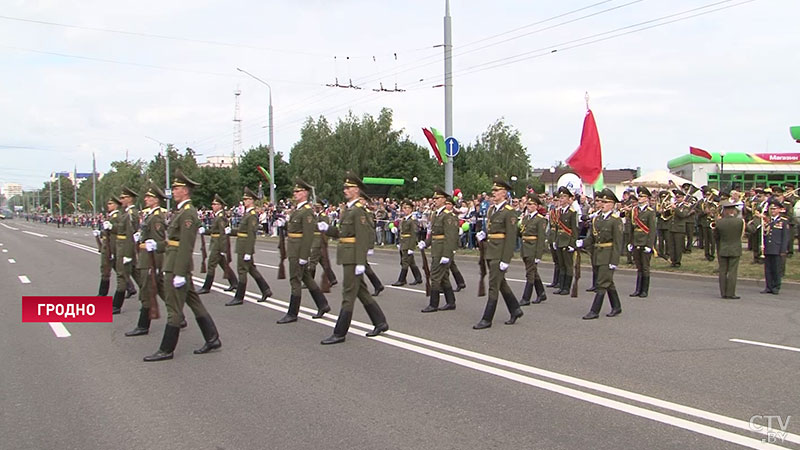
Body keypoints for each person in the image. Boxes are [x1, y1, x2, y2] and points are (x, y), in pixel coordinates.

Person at [144, 169, 221, 361]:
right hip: (175, 262)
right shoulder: (181, 212)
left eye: (176, 188)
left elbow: (186, 245)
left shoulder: (188, 213)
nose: (173, 190)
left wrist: (178, 272)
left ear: (185, 191)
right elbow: (173, 241)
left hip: (176, 266)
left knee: (173, 308)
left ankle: (166, 349)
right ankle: (212, 338)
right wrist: (158, 245)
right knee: (194, 302)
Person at [317, 172, 389, 345]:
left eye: (348, 188)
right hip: (347, 254)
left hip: (353, 257)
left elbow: (363, 237)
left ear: (357, 190)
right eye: (345, 187)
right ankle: (380, 322)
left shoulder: (358, 211)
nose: (345, 190)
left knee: (348, 293)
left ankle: (340, 332)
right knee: (361, 291)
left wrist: (360, 261)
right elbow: (343, 234)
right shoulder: (349, 210)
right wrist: (327, 229)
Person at [275, 178, 331, 324]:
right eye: (294, 191)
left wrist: (304, 255)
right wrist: (284, 224)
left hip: (299, 249)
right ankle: (322, 304)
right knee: (306, 277)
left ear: (305, 193)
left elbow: (308, 235)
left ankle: (293, 312)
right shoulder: (298, 210)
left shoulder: (306, 211)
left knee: (295, 279)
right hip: (294, 247)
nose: (295, 193)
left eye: (298, 191)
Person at [473, 177, 523, 329]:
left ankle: (487, 319)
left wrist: (506, 258)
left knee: (493, 285)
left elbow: (511, 237)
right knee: (501, 283)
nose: (493, 193)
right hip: (490, 250)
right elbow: (491, 229)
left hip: (500, 252)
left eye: (496, 191)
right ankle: (515, 309)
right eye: (492, 190)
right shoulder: (492, 210)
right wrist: (484, 235)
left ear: (504, 193)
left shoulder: (509, 212)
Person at [125, 185, 167, 336]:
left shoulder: (156, 217)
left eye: (149, 197)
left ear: (156, 200)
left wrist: (155, 265)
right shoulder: (150, 215)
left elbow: (158, 242)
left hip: (150, 259)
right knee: (160, 289)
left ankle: (143, 325)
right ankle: (179, 317)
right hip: (145, 256)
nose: (145, 199)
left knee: (146, 290)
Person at [578, 188, 623, 319]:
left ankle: (594, 311)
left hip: (608, 255)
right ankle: (617, 306)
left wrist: (614, 261)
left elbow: (617, 243)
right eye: (601, 201)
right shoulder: (597, 219)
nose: (602, 204)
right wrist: (581, 243)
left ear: (613, 204)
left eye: (606, 202)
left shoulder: (616, 220)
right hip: (597, 253)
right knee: (607, 281)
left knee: (602, 283)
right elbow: (592, 238)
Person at [225, 187, 273, 306]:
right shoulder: (247, 213)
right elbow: (242, 230)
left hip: (245, 246)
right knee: (251, 269)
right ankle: (266, 290)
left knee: (242, 271)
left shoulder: (252, 215)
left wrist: (248, 251)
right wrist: (231, 230)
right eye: (244, 199)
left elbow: (251, 234)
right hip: (242, 244)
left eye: (246, 199)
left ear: (251, 200)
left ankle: (239, 297)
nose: (244, 201)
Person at [419, 187, 459, 312]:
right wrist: (425, 243)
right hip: (436, 249)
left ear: (443, 199)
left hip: (442, 250)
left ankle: (433, 304)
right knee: (444, 277)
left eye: (437, 198)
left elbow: (450, 236)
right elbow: (434, 233)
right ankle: (451, 302)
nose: (434, 200)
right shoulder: (436, 214)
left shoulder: (447, 216)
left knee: (435, 276)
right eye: (434, 198)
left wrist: (447, 254)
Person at [198, 194, 238, 294]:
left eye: (215, 204)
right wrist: (205, 231)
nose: (213, 206)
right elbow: (213, 231)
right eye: (212, 204)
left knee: (211, 265)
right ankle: (234, 282)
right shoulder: (217, 216)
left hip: (218, 245)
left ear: (220, 206)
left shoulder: (220, 217)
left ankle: (206, 287)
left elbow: (223, 234)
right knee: (224, 265)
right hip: (215, 243)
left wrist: (222, 249)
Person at [110, 186, 139, 314]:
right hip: (123, 247)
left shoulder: (131, 214)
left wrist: (128, 253)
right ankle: (147, 294)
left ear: (130, 199)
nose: (121, 200)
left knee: (121, 276)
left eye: (123, 197)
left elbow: (131, 234)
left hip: (127, 248)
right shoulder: (125, 213)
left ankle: (116, 305)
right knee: (138, 276)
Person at [627, 187, 656, 298]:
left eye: (642, 196)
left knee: (645, 267)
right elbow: (631, 228)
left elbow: (652, 230)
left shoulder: (650, 212)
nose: (640, 198)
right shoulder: (635, 210)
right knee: (638, 266)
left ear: (647, 198)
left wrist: (649, 245)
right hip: (636, 240)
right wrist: (630, 242)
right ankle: (637, 289)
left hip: (645, 241)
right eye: (639, 196)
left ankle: (644, 290)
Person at [518, 192, 547, 305]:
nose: (529, 206)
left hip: (533, 248)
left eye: (531, 204)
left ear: (536, 206)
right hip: (525, 248)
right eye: (528, 204)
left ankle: (526, 298)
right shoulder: (525, 218)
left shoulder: (540, 220)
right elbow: (520, 233)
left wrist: (538, 255)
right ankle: (541, 293)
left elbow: (541, 238)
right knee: (533, 272)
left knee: (530, 273)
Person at [714, 200, 745, 299]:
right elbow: (742, 233)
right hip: (735, 248)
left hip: (723, 248)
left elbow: (716, 236)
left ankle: (723, 292)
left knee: (723, 271)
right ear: (733, 211)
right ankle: (731, 293)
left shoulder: (719, 222)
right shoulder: (739, 221)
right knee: (732, 271)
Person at [551, 186, 579, 295]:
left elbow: (574, 229)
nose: (561, 199)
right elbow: (557, 228)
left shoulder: (572, 212)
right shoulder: (558, 212)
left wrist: (573, 244)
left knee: (568, 265)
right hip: (559, 240)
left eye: (564, 197)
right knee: (561, 264)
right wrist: (554, 240)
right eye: (560, 197)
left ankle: (566, 287)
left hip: (567, 241)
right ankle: (561, 286)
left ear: (569, 199)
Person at [760, 200, 791, 295]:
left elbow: (785, 237)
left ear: (779, 210)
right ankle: (768, 286)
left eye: (775, 209)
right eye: (771, 209)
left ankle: (776, 287)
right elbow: (765, 235)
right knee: (768, 269)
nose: (772, 210)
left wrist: (783, 250)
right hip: (768, 248)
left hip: (777, 249)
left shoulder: (783, 222)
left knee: (776, 269)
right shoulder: (767, 221)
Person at [391, 199, 424, 286]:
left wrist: (411, 247)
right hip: (403, 242)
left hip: (408, 243)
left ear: (411, 209)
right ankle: (418, 278)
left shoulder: (412, 220)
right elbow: (402, 231)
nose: (405, 209)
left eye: (407, 208)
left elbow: (414, 234)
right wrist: (398, 240)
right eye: (404, 208)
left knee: (405, 262)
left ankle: (401, 279)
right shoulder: (404, 219)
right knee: (410, 262)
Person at [307, 200, 337, 287]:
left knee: (312, 261)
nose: (315, 208)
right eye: (315, 206)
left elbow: (324, 226)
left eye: (317, 207)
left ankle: (309, 282)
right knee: (323, 262)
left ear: (321, 207)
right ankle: (332, 279)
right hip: (315, 239)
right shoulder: (315, 215)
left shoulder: (323, 216)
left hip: (319, 240)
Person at [94, 196, 120, 296]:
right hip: (107, 247)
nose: (108, 206)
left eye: (110, 204)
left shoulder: (117, 216)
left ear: (116, 205)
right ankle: (129, 288)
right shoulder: (111, 216)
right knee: (106, 270)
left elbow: (120, 230)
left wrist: (112, 227)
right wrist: (100, 233)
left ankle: (102, 295)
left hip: (112, 247)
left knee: (110, 271)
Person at [668, 190, 692, 267]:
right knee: (672, 246)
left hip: (679, 229)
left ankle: (678, 262)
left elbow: (683, 215)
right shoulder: (674, 205)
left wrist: (675, 208)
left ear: (683, 198)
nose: (677, 199)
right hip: (671, 227)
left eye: (679, 197)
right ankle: (673, 261)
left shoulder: (685, 206)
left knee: (678, 246)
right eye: (676, 197)